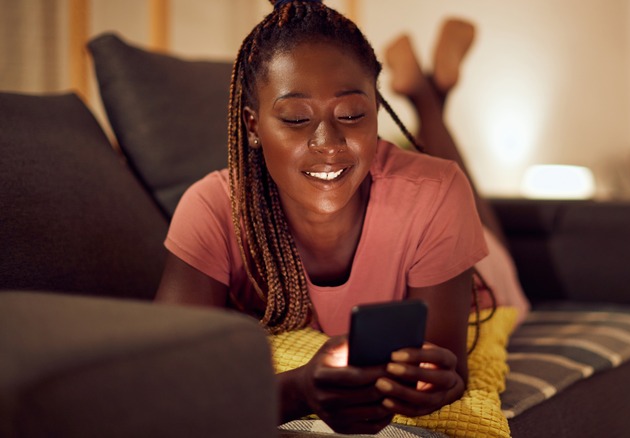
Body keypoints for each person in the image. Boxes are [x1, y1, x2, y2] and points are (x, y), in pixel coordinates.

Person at [155, 0, 490, 434]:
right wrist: (296, 391)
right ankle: (429, 92)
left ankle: (427, 98)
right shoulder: (213, 209)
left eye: (352, 115)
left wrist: (436, 384)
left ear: (376, 110)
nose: (328, 142)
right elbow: (161, 381)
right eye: (296, 118)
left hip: (473, 263)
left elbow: (447, 370)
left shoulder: (437, 192)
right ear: (253, 127)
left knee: (476, 210)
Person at [384, 20, 530, 322]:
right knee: (476, 222)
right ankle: (429, 96)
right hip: (465, 263)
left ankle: (428, 95)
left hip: (455, 259)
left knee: (481, 227)